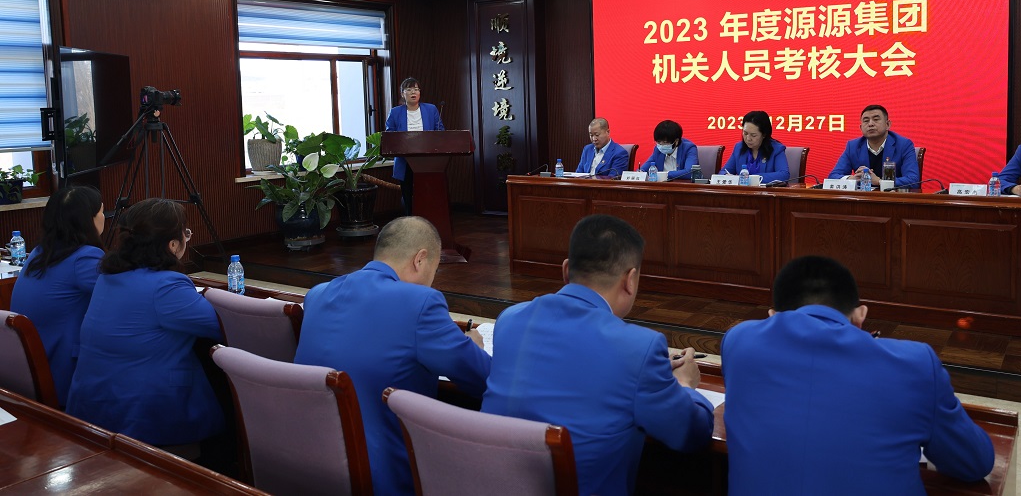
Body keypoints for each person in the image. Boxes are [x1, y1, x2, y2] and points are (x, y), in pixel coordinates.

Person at [482, 214, 714, 496]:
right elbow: (690, 434)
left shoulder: (509, 319)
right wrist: (684, 385)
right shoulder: (640, 346)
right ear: (630, 280)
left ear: (566, 270)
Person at [722, 256, 994, 495]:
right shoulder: (915, 362)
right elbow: (974, 462)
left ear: (772, 315)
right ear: (860, 315)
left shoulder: (739, 342)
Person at [295, 216, 490, 496]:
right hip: (385, 478)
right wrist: (474, 346)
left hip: (308, 468)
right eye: (435, 270)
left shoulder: (317, 295)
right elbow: (482, 378)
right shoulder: (421, 302)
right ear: (420, 260)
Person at [68, 198, 224, 449]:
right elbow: (221, 327)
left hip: (94, 405)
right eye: (185, 233)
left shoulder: (108, 277)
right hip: (143, 415)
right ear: (173, 245)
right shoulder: (166, 286)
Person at [10, 185, 105, 407]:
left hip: (30, 369)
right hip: (63, 373)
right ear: (89, 220)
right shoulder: (85, 258)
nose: (104, 217)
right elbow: (124, 296)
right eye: (101, 211)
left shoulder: (38, 253)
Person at [385, 77, 444, 215]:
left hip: (427, 160)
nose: (413, 92)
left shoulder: (431, 109)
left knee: (428, 195)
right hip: (405, 161)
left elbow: (440, 131)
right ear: (402, 93)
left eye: (416, 89)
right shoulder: (395, 112)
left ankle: (428, 220)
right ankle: (410, 221)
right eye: (409, 89)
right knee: (408, 196)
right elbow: (390, 136)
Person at [829, 104, 920, 189]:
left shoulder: (904, 145)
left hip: (893, 198)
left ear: (887, 124)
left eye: (876, 119)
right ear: (861, 128)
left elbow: (913, 180)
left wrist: (879, 182)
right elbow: (833, 176)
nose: (870, 124)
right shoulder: (853, 146)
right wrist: (852, 179)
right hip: (863, 199)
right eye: (866, 121)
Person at [720, 110, 789, 183]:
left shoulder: (776, 149)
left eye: (753, 135)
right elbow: (723, 172)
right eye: (745, 133)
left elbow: (784, 175)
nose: (748, 138)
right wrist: (727, 176)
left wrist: (751, 178)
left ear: (764, 135)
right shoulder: (739, 147)